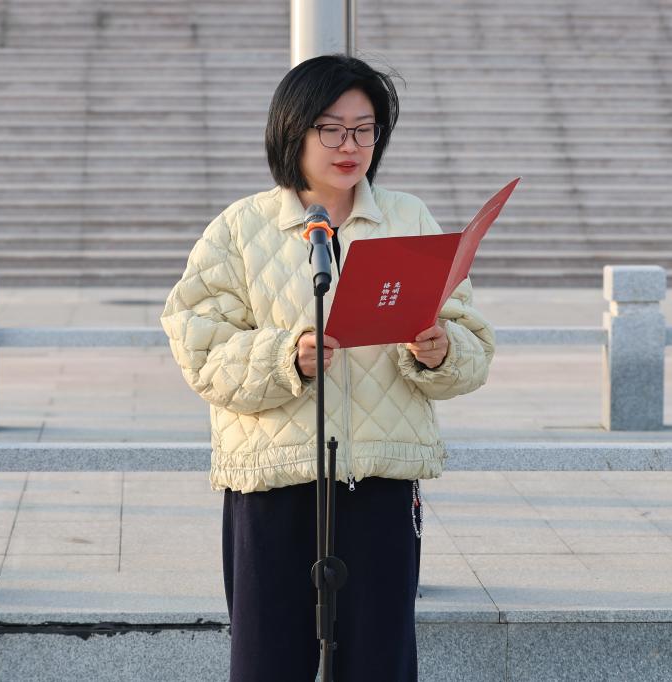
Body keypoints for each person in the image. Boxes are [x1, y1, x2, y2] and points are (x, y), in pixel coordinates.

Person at [161, 54, 495, 682]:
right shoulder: (240, 228)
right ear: (293, 130)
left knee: (380, 663)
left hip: (380, 480)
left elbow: (473, 343)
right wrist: (285, 357)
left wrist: (440, 351)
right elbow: (199, 351)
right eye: (332, 129)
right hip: (273, 482)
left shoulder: (407, 219)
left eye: (364, 130)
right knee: (267, 664)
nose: (350, 146)